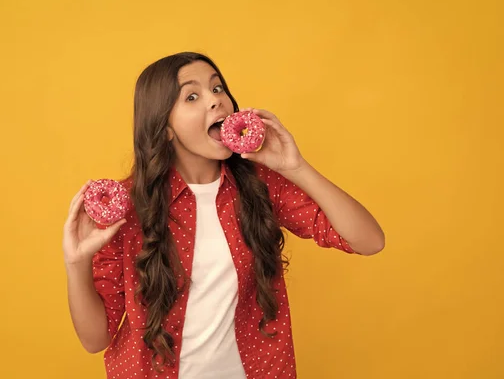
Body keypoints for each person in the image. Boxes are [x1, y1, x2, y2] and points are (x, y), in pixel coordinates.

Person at [62, 52, 385, 378]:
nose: (216, 101)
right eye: (192, 96)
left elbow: (369, 241)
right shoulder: (128, 209)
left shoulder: (260, 184)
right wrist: (76, 263)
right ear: (165, 128)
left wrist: (297, 168)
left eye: (218, 89)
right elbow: (95, 339)